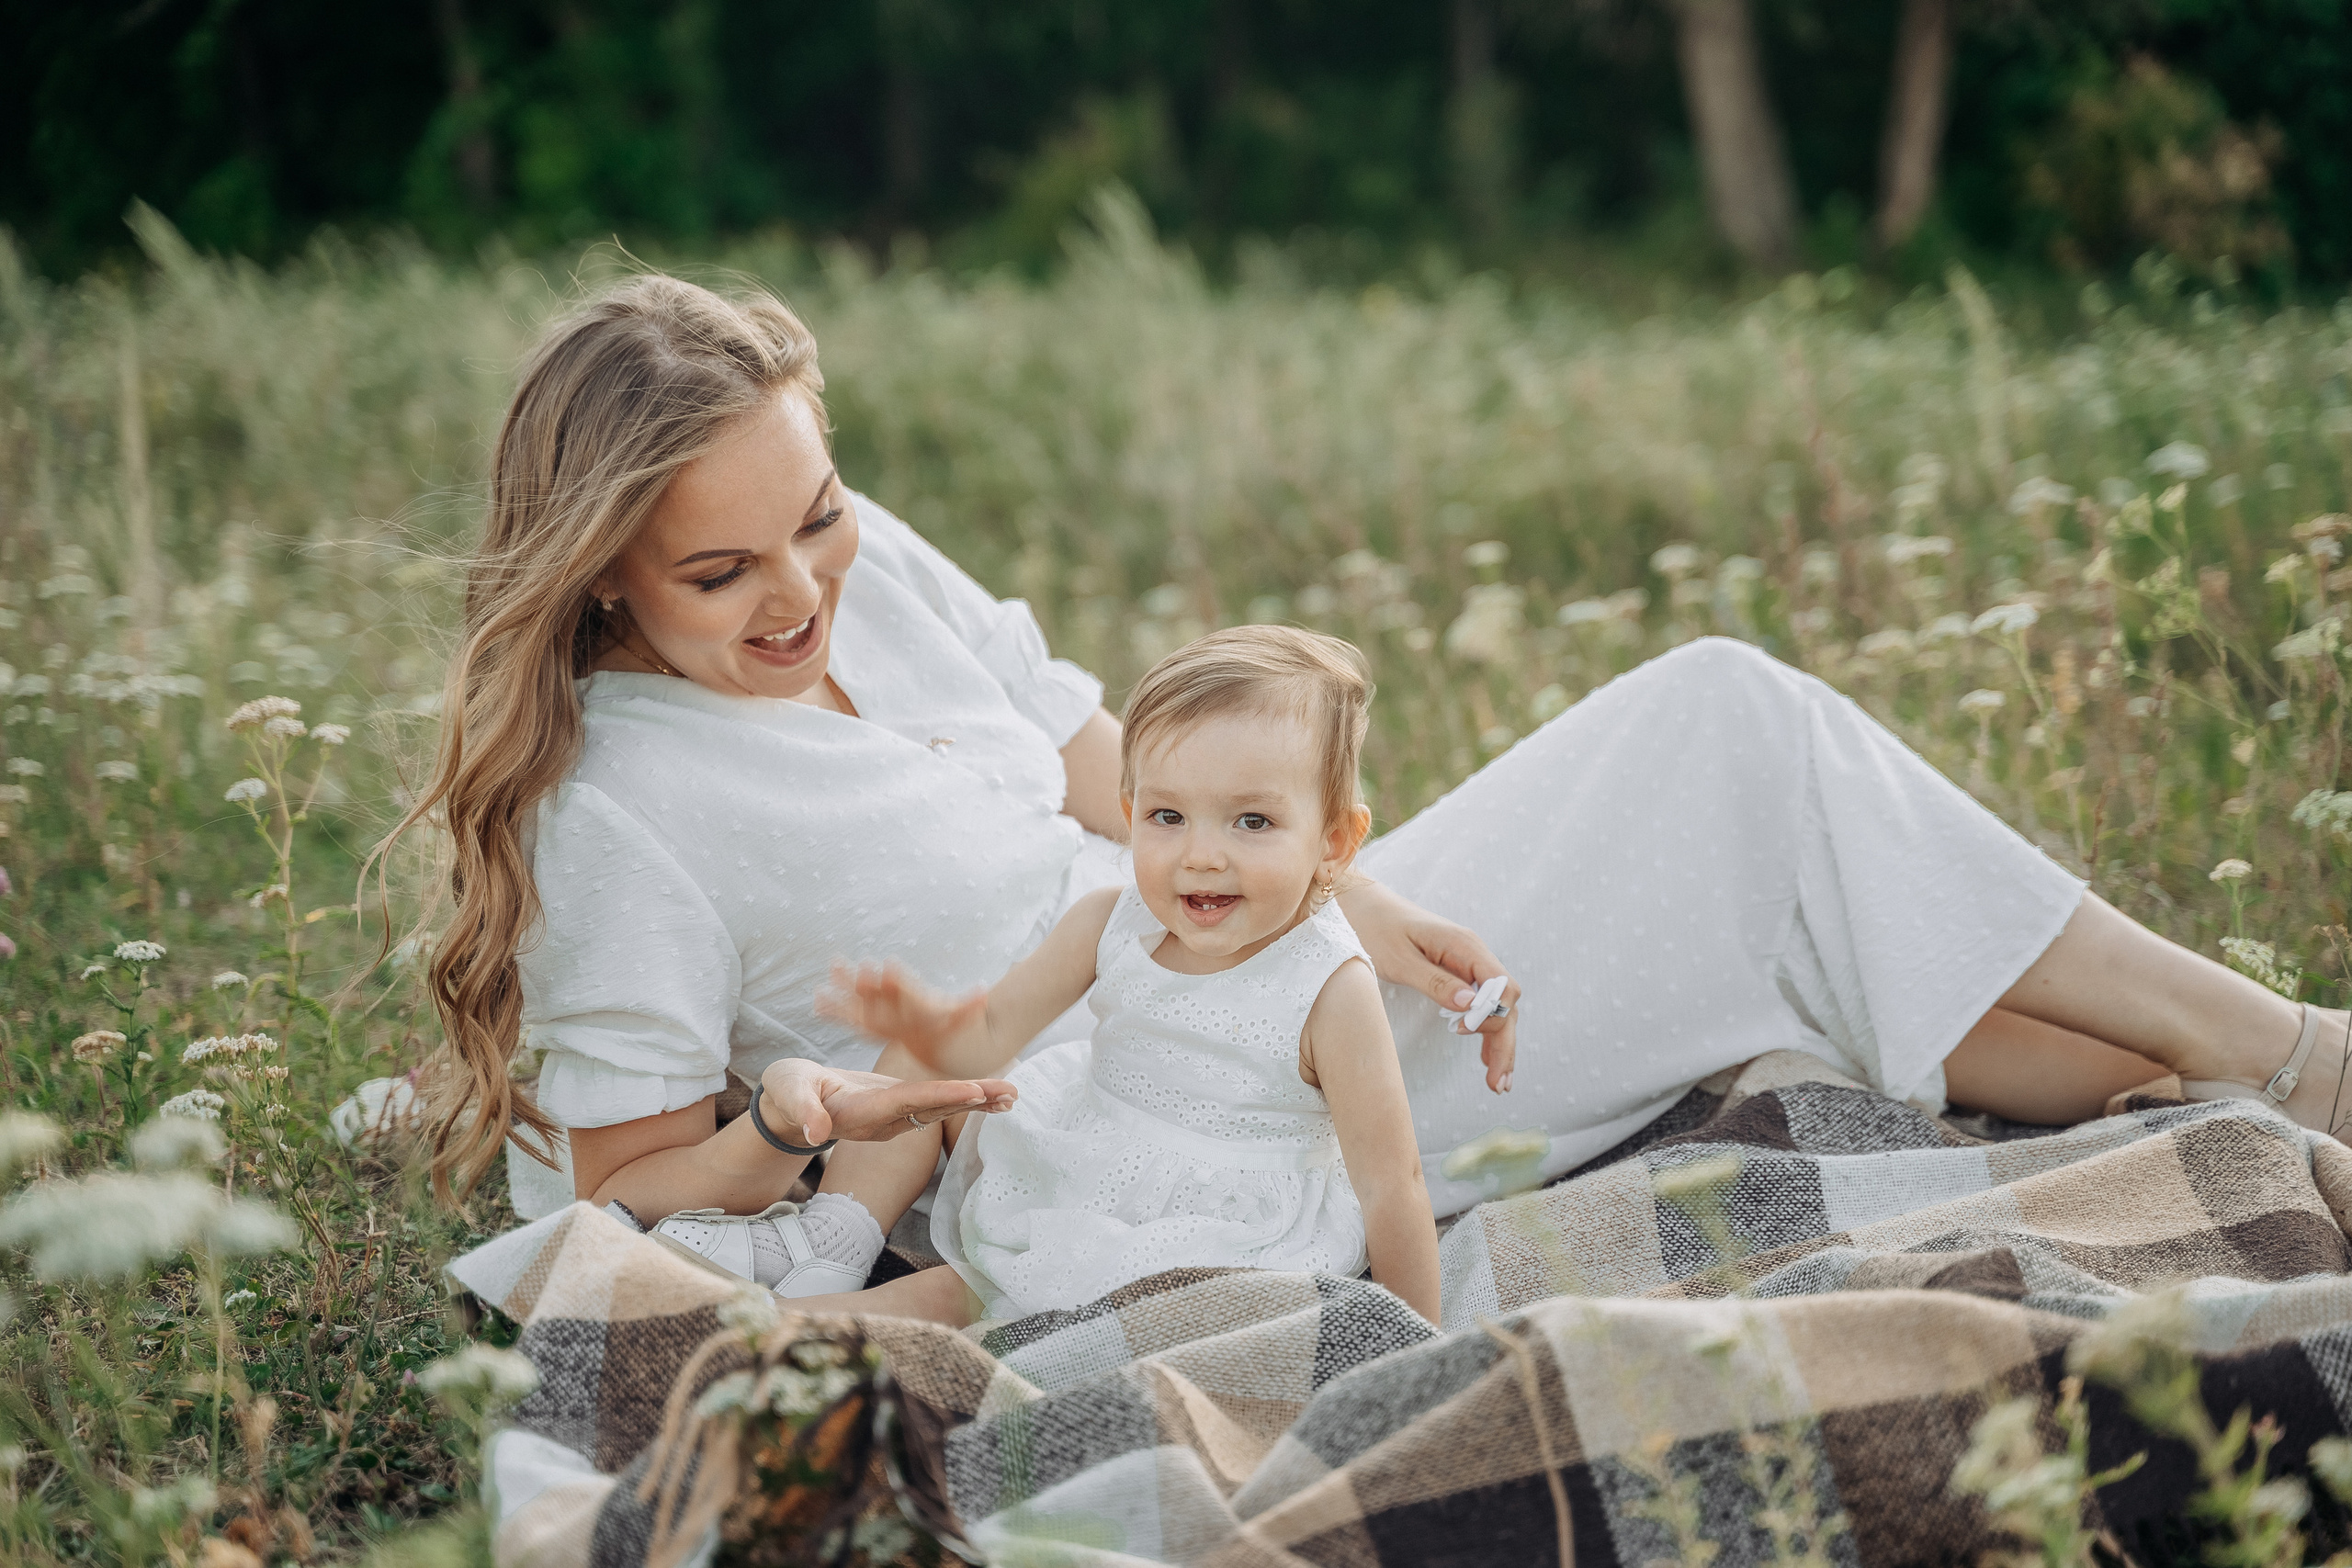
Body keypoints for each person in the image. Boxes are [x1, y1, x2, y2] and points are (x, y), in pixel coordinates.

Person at [390, 272, 2348, 1291]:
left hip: (1254, 932)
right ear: (601, 577)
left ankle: (2239, 1097)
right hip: (1147, 1118)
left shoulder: (853, 556)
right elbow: (627, 1181)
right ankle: (2298, 1056)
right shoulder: (612, 808)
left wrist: (1335, 877)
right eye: (721, 575)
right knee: (1726, 731)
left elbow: (1105, 769)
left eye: (810, 520)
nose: (802, 590)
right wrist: (813, 1111)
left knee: (1787, 910)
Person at [772, 626, 1437, 1325]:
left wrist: (1420, 1343)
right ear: (1130, 816)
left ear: (1332, 842)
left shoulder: (1330, 987)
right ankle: (833, 1246)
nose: (1202, 854)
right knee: (915, 1064)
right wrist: (921, 1024)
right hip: (1088, 1154)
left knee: (976, 1301)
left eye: (1252, 820)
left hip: (1216, 1232)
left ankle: (815, 1324)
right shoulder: (1108, 921)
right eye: (1169, 816)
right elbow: (989, 1033)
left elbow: (1392, 1184)